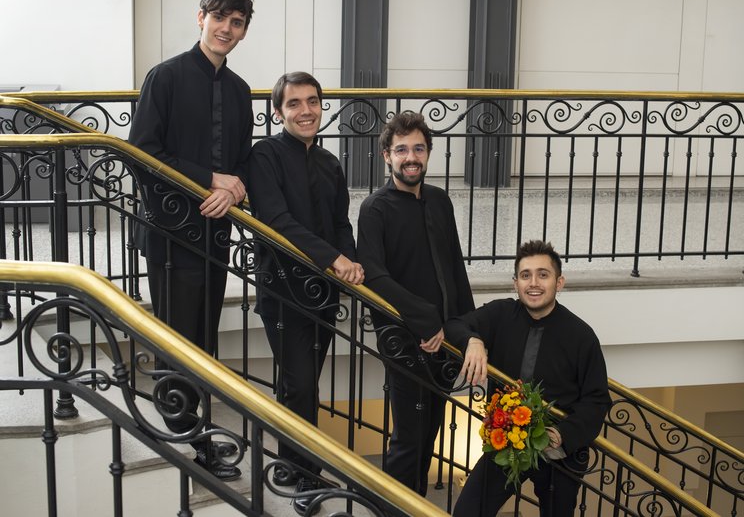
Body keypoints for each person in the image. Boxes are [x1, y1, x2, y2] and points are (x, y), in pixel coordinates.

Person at [129, 0, 255, 481]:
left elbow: (242, 161)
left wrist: (234, 190)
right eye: (219, 17)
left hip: (216, 232)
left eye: (237, 22)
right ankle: (186, 435)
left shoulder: (242, 90)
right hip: (171, 233)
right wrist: (210, 180)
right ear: (200, 17)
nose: (226, 28)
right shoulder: (166, 76)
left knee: (203, 337)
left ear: (244, 31)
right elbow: (142, 153)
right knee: (177, 336)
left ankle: (191, 428)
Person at [246, 71, 364, 516]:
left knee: (300, 384)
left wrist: (349, 262)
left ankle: (286, 463)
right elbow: (276, 219)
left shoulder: (331, 162)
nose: (305, 111)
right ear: (278, 112)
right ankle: (307, 479)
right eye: (293, 104)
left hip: (324, 294)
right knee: (300, 387)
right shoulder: (265, 155)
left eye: (312, 101)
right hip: (282, 290)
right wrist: (332, 259)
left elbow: (340, 224)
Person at [356, 111, 475, 496]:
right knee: (408, 440)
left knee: (430, 435)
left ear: (428, 153)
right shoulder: (375, 209)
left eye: (419, 148)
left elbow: (455, 268)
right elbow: (374, 276)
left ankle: (416, 504)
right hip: (407, 341)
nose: (412, 157)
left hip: (445, 339)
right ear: (386, 156)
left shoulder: (440, 201)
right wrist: (424, 320)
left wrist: (469, 329)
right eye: (402, 149)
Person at [447, 240, 611, 517]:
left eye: (543, 275)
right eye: (525, 275)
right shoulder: (500, 314)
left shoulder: (582, 336)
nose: (533, 283)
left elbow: (597, 399)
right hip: (507, 443)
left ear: (559, 283)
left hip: (558, 449)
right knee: (467, 511)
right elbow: (453, 324)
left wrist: (563, 435)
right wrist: (473, 340)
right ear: (515, 283)